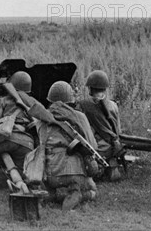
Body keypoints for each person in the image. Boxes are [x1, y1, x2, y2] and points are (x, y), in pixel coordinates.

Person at [21, 80, 98, 211]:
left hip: (50, 173)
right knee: (93, 189)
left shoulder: (41, 118)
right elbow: (93, 146)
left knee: (50, 187)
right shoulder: (79, 116)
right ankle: (78, 193)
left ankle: (52, 195)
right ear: (69, 100)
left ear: (50, 100)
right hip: (75, 172)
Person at [78, 70, 125, 181]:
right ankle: (111, 164)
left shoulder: (84, 105)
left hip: (97, 149)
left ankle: (98, 169)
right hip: (114, 147)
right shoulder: (113, 105)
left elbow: (83, 130)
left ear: (90, 88)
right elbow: (118, 130)